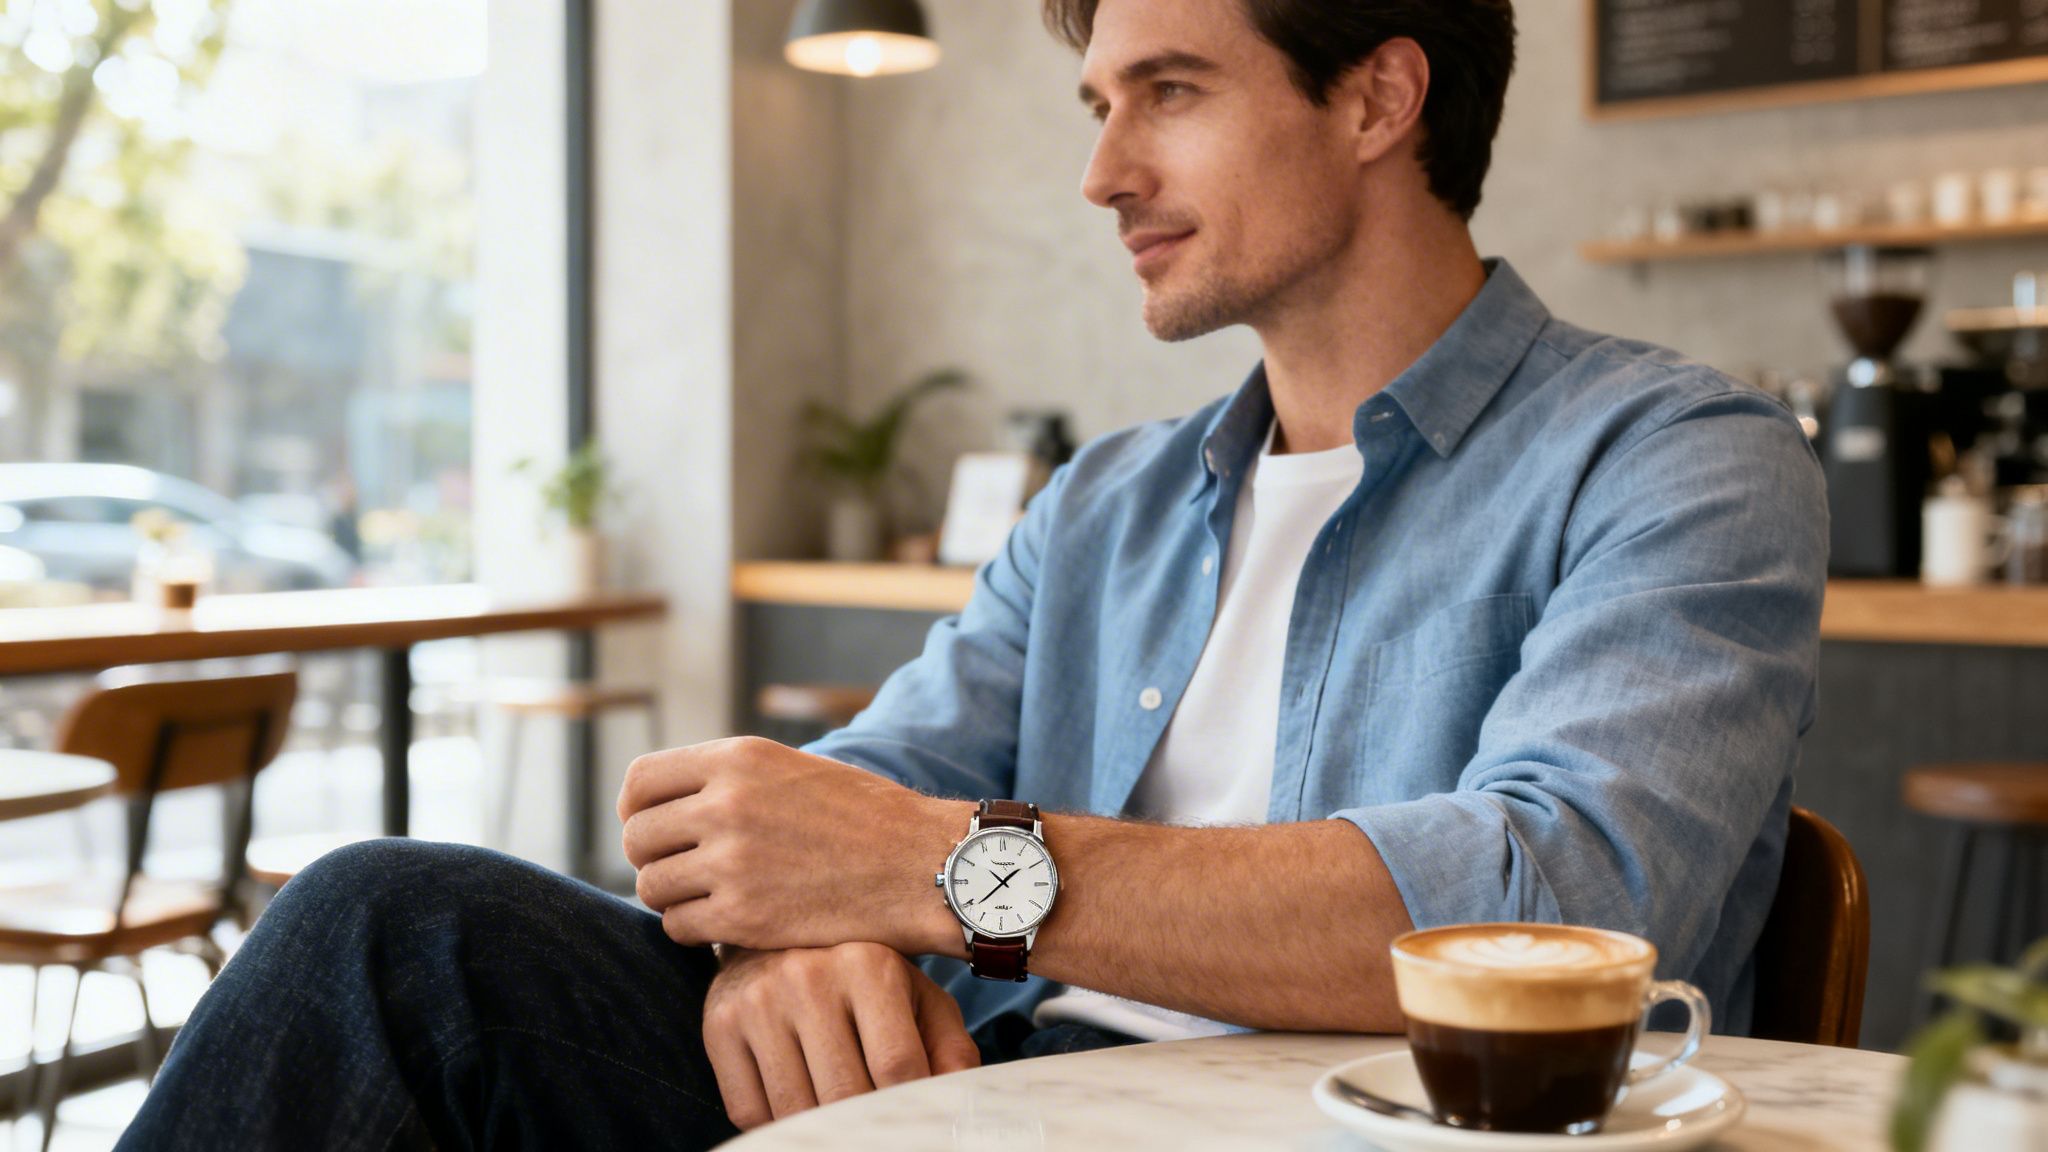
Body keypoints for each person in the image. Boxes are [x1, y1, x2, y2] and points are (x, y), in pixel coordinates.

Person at [117, 0, 1826, 1147]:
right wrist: (784, 942)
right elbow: (833, 809)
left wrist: (949, 879)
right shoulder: (1106, 504)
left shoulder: (1680, 458)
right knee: (386, 933)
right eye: (1100, 106)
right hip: (969, 1094)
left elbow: (1564, 898)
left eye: (1171, 92)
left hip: (1315, 1133)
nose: (1102, 175)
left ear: (1379, 95)